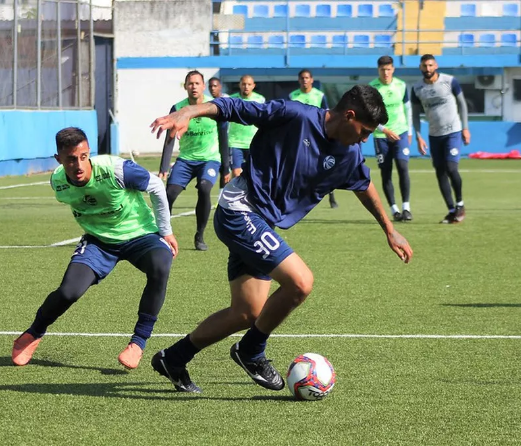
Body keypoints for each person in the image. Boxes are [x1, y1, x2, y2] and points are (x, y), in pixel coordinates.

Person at [148, 85, 413, 393]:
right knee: (301, 282)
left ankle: (174, 358)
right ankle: (251, 352)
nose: (365, 139)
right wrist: (189, 111)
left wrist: (389, 229)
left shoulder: (349, 154)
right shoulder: (295, 115)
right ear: (349, 116)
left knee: (247, 313)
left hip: (263, 224)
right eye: (364, 131)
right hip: (241, 209)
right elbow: (235, 108)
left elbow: (363, 186)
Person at [12, 127, 179, 370]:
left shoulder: (115, 169)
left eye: (83, 157)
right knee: (69, 292)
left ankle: (138, 342)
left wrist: (165, 230)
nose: (78, 165)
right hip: (98, 242)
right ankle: (33, 333)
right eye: (70, 159)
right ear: (58, 159)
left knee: (161, 265)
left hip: (140, 234)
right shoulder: (57, 182)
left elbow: (154, 185)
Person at [159, 70, 230, 250]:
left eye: (197, 83)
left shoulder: (214, 106)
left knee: (205, 188)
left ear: (203, 86)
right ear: (185, 87)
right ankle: (162, 234)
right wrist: (164, 167)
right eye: (190, 83)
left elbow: (224, 137)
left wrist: (226, 167)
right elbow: (170, 138)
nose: (194, 87)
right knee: (170, 194)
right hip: (185, 160)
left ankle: (200, 236)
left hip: (210, 160)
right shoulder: (177, 109)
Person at [411, 54, 470, 224]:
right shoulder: (417, 88)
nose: (427, 69)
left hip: (453, 132)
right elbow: (415, 114)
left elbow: (462, 104)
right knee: (440, 172)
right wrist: (418, 136)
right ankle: (451, 210)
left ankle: (460, 204)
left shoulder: (449, 81)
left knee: (451, 167)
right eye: (424, 66)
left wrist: (465, 128)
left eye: (430, 65)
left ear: (435, 65)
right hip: (434, 135)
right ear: (420, 67)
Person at [370, 56, 413, 222]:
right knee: (385, 172)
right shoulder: (373, 88)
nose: (386, 73)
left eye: (388, 69)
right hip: (381, 135)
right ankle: (394, 209)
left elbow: (407, 109)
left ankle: (406, 208)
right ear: (378, 70)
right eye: (382, 70)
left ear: (393, 69)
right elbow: (370, 115)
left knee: (403, 167)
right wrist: (384, 129)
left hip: (400, 132)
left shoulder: (401, 85)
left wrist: (409, 131)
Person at [289, 69, 339, 209]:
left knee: (325, 165)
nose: (305, 80)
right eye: (302, 78)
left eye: (307, 78)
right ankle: (297, 197)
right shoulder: (293, 96)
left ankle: (331, 195)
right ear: (299, 80)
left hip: (318, 136)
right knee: (300, 166)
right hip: (300, 136)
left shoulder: (319, 95)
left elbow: (327, 115)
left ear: (311, 80)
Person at [228, 75, 265, 177]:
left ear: (253, 86)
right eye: (244, 84)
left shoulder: (260, 100)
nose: (246, 87)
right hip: (235, 142)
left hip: (253, 142)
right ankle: (239, 193)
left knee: (254, 173)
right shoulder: (232, 100)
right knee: (236, 173)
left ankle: (251, 193)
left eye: (249, 84)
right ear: (239, 85)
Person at [208, 77, 231, 197]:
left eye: (215, 86)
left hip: (228, 141)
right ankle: (221, 198)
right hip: (214, 142)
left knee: (227, 170)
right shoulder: (208, 103)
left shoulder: (227, 100)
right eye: (210, 86)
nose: (212, 88)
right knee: (221, 169)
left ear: (220, 86)